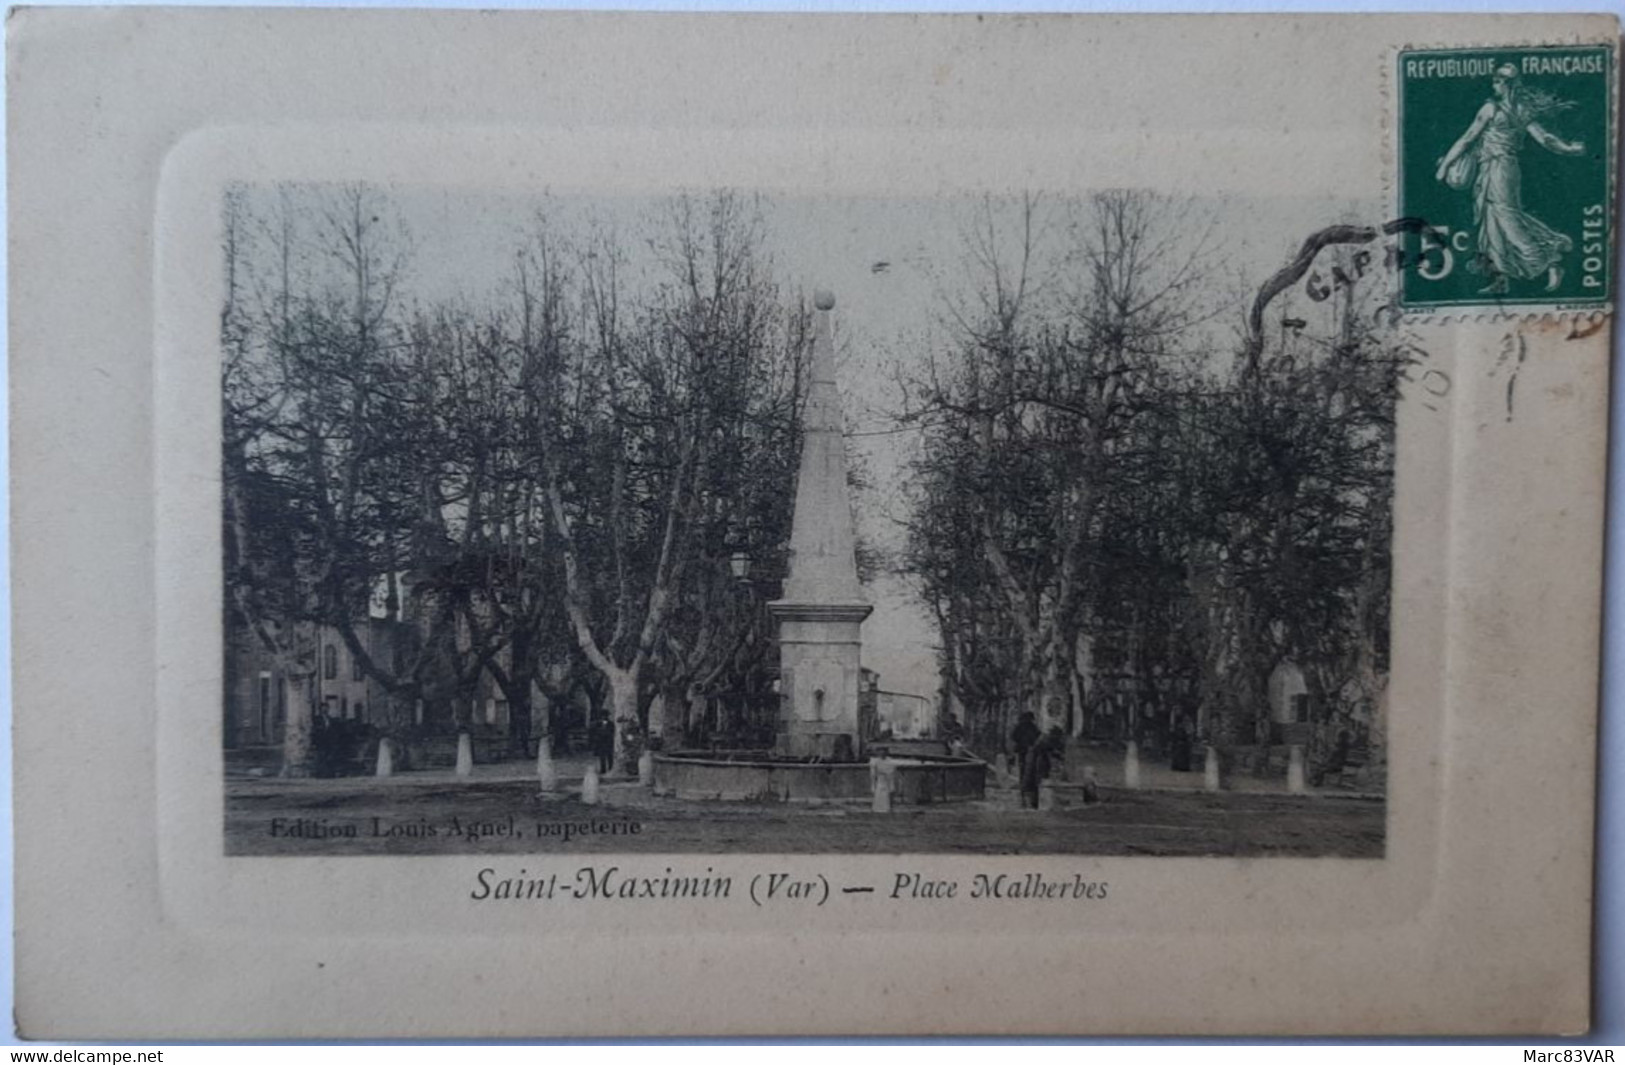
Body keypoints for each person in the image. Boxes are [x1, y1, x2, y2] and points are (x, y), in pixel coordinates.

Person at [1434, 63, 1586, 294]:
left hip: (1498, 168)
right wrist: (1568, 149)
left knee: (1506, 217)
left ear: (1507, 84)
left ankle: (1550, 258)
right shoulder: (1522, 109)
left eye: (1497, 81)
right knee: (1492, 221)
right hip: (1501, 168)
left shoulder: (1491, 109)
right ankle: (1501, 277)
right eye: (1494, 80)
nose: (1494, 84)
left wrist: (1444, 166)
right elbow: (1545, 139)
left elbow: (1467, 139)